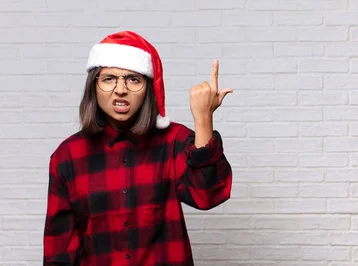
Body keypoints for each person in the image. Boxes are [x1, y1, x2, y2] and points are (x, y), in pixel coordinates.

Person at [42, 30, 233, 265]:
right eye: (108, 78)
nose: (120, 89)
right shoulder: (67, 156)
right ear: (94, 86)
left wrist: (203, 119)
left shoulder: (174, 141)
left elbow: (208, 196)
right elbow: (59, 248)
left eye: (133, 79)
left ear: (148, 89)